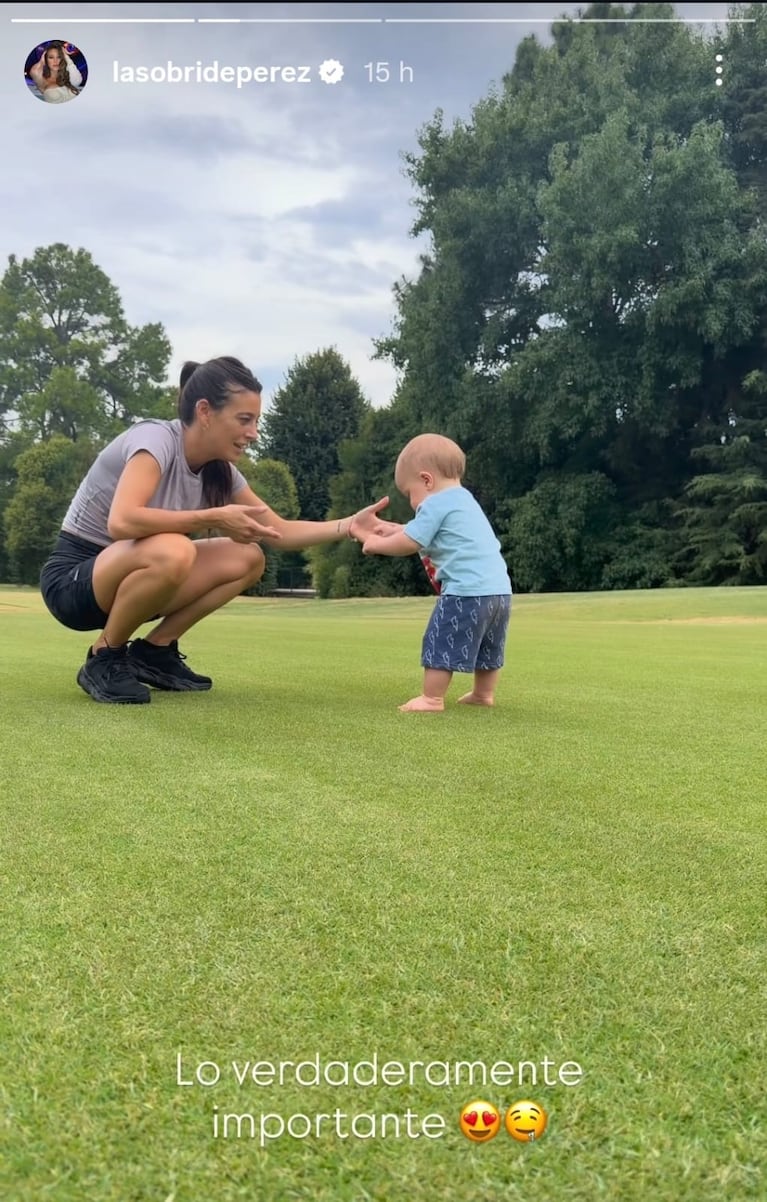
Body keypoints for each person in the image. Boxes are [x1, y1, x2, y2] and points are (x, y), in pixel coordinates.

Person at [40, 356, 389, 704]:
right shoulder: (155, 438)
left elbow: (279, 530)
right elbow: (122, 521)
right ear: (205, 411)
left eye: (256, 421)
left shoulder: (220, 471)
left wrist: (349, 525)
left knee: (248, 557)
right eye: (244, 419)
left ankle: (154, 652)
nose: (253, 433)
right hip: (74, 582)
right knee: (175, 549)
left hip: (136, 578)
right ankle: (104, 655)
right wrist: (214, 518)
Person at [361, 433, 511, 712]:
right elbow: (425, 531)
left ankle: (432, 698)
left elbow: (411, 542)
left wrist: (377, 544)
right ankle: (483, 694)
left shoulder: (434, 503)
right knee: (488, 648)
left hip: (465, 591)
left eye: (410, 493)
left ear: (426, 480)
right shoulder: (464, 500)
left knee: (441, 639)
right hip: (500, 592)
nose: (412, 502)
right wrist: (394, 529)